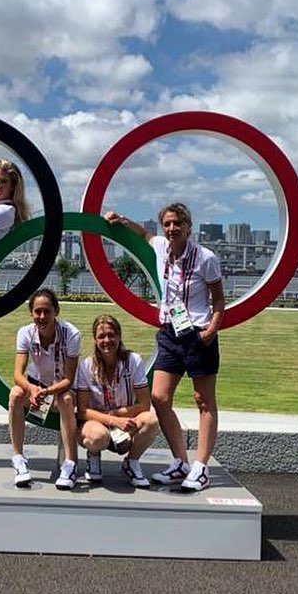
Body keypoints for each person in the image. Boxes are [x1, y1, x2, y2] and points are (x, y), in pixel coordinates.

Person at [106, 202, 224, 492]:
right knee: (159, 398)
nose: (172, 229)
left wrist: (212, 328)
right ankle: (181, 462)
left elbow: (219, 299)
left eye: (177, 223)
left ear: (189, 227)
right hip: (170, 332)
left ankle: (201, 467)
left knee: (203, 401)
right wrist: (121, 220)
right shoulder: (161, 247)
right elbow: (143, 234)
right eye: (168, 224)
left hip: (198, 334)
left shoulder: (205, 258)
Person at [75, 314, 159, 487]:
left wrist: (117, 415)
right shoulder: (86, 366)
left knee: (150, 419)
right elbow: (82, 411)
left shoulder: (133, 361)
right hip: (95, 422)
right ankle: (93, 455)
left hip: (125, 421)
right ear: (95, 340)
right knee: (97, 437)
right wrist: (113, 420)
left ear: (119, 336)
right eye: (101, 336)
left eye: (111, 335)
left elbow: (144, 405)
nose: (107, 340)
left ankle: (131, 462)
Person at [8, 288, 80, 490]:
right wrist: (32, 389)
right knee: (15, 394)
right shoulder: (25, 332)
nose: (42, 317)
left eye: (46, 311)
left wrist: (45, 392)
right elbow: (17, 375)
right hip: (37, 389)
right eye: (37, 311)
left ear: (56, 311)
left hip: (60, 391)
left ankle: (70, 463)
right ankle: (18, 459)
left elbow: (69, 379)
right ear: (31, 313)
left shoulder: (71, 334)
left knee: (67, 400)